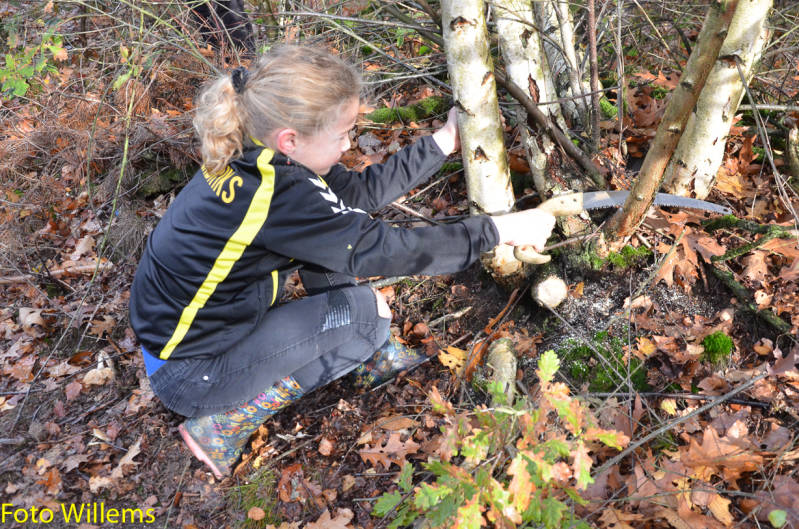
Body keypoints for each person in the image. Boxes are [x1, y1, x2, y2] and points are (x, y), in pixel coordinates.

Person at [129, 44, 555, 480]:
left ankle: (368, 359)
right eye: (342, 135)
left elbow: (353, 196)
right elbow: (387, 249)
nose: (349, 144)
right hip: (192, 373)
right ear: (290, 139)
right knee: (366, 316)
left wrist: (442, 142)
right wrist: (497, 230)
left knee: (334, 244)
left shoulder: (259, 147)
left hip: (187, 340)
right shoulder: (276, 192)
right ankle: (222, 425)